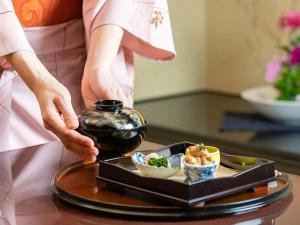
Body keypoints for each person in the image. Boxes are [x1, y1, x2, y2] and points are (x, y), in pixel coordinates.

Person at [0, 0, 175, 207]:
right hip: (7, 51)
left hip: (89, 48)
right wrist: (36, 77)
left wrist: (99, 66)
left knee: (92, 192)